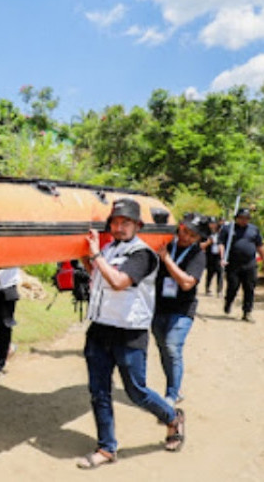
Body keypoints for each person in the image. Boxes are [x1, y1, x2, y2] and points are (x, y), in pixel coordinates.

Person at [76, 198, 185, 469]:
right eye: (115, 221)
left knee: (136, 391)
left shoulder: (143, 254)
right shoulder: (110, 249)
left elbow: (117, 282)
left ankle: (172, 417)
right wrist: (86, 256)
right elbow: (99, 275)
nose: (119, 227)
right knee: (98, 391)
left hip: (129, 334)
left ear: (137, 225)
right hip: (100, 329)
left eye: (126, 222)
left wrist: (95, 255)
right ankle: (106, 448)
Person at [152, 213, 208, 408]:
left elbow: (186, 283)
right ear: (180, 226)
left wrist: (167, 259)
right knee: (164, 349)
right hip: (158, 307)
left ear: (199, 239)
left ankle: (171, 394)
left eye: (192, 235)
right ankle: (175, 386)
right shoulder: (165, 243)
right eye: (185, 231)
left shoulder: (197, 255)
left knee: (172, 347)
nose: (186, 237)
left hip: (182, 310)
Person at [219, 208, 264, 322]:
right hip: (233, 264)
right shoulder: (228, 229)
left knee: (249, 288)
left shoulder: (254, 230)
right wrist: (222, 258)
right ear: (237, 218)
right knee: (233, 287)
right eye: (242, 218)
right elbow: (221, 244)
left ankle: (247, 312)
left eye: (247, 218)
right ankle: (228, 302)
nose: (244, 220)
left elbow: (259, 245)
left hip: (250, 264)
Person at [201, 217, 223, 296]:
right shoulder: (206, 233)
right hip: (210, 255)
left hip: (218, 255)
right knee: (210, 272)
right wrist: (208, 242)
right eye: (211, 223)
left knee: (220, 272)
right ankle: (207, 289)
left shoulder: (221, 233)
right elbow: (201, 245)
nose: (212, 225)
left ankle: (219, 290)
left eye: (214, 224)